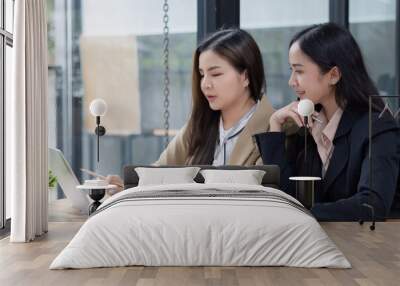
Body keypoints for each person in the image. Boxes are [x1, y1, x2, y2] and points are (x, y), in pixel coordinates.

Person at [255, 23, 400, 221]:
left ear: (333, 75)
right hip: (321, 243)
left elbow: (372, 204)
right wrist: (275, 124)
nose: (291, 81)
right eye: (291, 70)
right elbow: (290, 194)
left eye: (299, 71)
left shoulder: (377, 128)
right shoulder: (309, 125)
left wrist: (299, 213)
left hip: (369, 247)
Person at [107, 28, 275, 192]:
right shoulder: (197, 126)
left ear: (245, 77)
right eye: (202, 74)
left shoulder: (273, 129)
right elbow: (157, 173)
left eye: (215, 74)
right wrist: (126, 186)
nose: (205, 84)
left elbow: (266, 194)